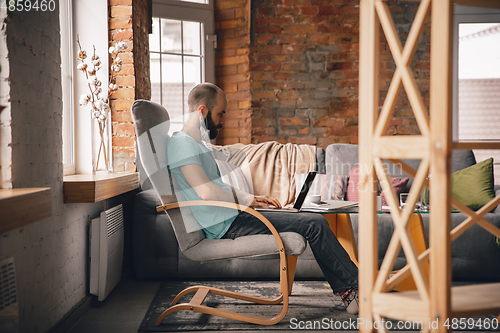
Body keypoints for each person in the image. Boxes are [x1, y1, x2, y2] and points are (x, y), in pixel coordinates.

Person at [166, 83, 360, 315]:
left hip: (233, 216)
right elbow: (207, 193)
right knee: (314, 223)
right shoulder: (182, 144)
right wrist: (246, 201)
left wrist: (252, 198)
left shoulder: (196, 145)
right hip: (226, 226)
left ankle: (351, 289)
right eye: (221, 113)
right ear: (202, 111)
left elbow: (215, 188)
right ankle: (357, 288)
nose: (223, 120)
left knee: (309, 218)